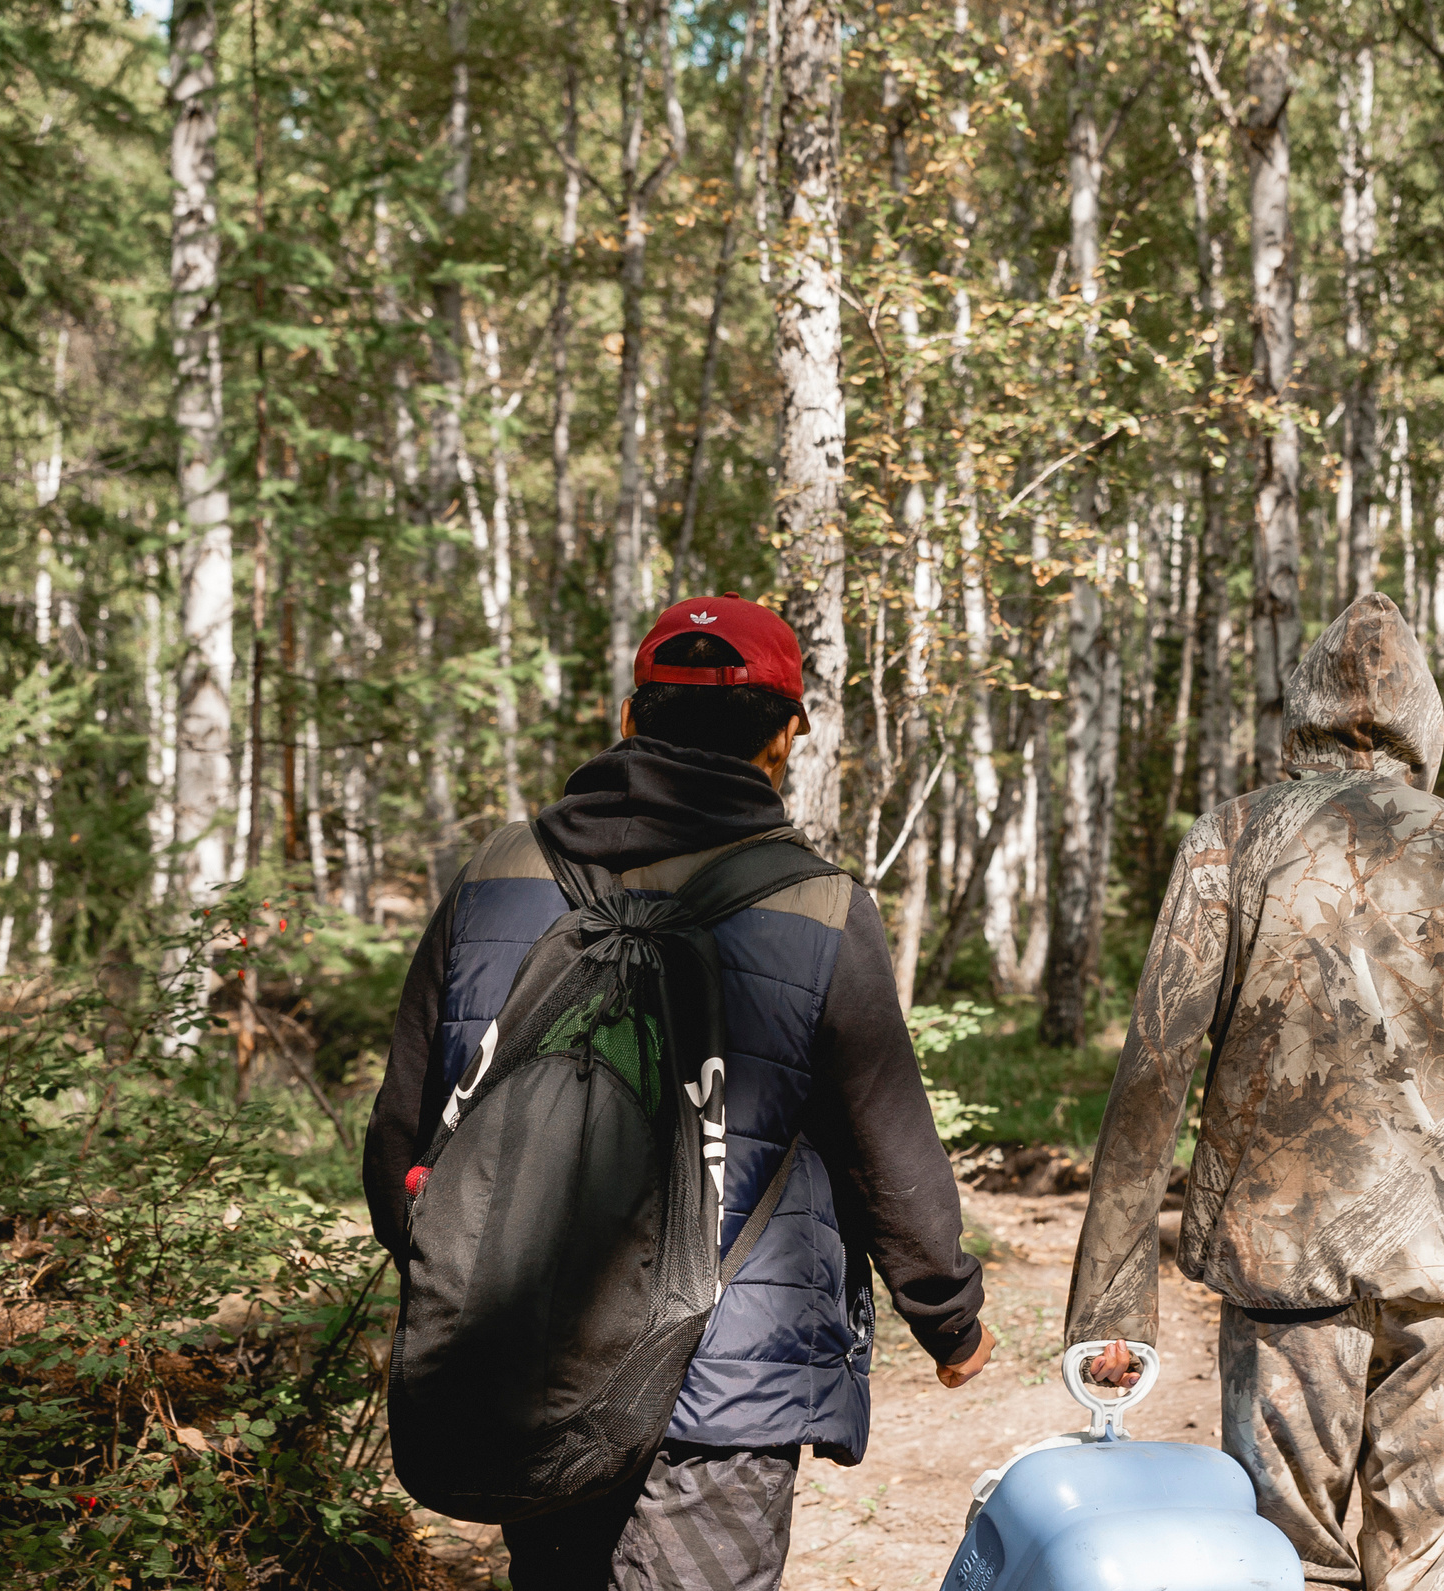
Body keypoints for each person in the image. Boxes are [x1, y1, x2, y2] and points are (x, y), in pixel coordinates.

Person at [364, 593, 994, 1591]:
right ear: (785, 736)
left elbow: (403, 1138)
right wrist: (950, 1323)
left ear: (629, 715)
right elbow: (889, 1155)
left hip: (532, 1362)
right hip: (724, 1390)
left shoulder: (496, 873)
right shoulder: (821, 908)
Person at [1065, 592, 1444, 1591]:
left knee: (1276, 1566)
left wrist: (1111, 1310)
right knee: (1432, 1569)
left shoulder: (1230, 843)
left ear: (1302, 712)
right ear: (1427, 725)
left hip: (1282, 1275)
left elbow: (1152, 1077)